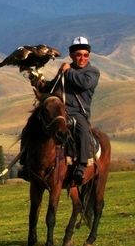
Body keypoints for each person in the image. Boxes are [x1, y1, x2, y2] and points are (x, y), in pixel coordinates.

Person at [29, 35, 100, 187]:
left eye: (85, 55)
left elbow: (84, 84)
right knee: (33, 125)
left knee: (82, 129)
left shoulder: (92, 72)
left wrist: (68, 72)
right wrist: (38, 82)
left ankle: (81, 165)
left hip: (78, 113)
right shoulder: (65, 70)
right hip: (60, 111)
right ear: (72, 55)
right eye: (78, 55)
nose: (82, 58)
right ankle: (26, 162)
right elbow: (51, 88)